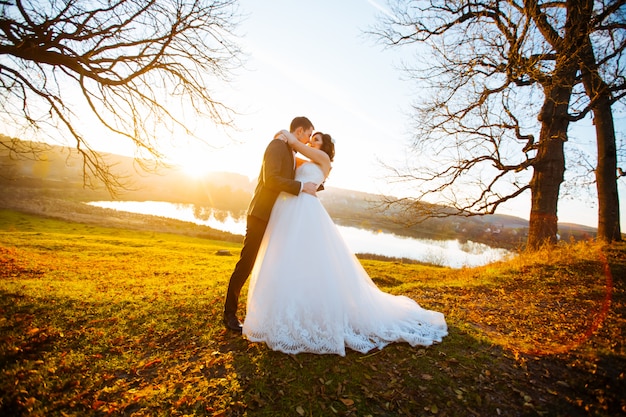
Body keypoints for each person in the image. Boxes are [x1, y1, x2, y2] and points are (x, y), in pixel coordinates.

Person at [242, 130, 448, 355]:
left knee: (310, 258)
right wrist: (283, 145)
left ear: (326, 147)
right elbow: (290, 156)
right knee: (286, 258)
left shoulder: (324, 160)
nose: (312, 140)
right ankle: (283, 310)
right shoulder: (307, 158)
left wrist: (284, 135)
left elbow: (294, 145)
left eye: (316, 139)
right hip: (288, 208)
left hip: (306, 210)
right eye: (312, 137)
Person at [223, 117, 318, 332]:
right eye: (308, 135)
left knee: (274, 265)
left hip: (277, 217)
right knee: (247, 263)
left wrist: (314, 183)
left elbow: (306, 171)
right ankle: (229, 314)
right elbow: (271, 180)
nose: (309, 141)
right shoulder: (277, 145)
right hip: (261, 214)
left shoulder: (291, 152)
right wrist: (302, 187)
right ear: (300, 130)